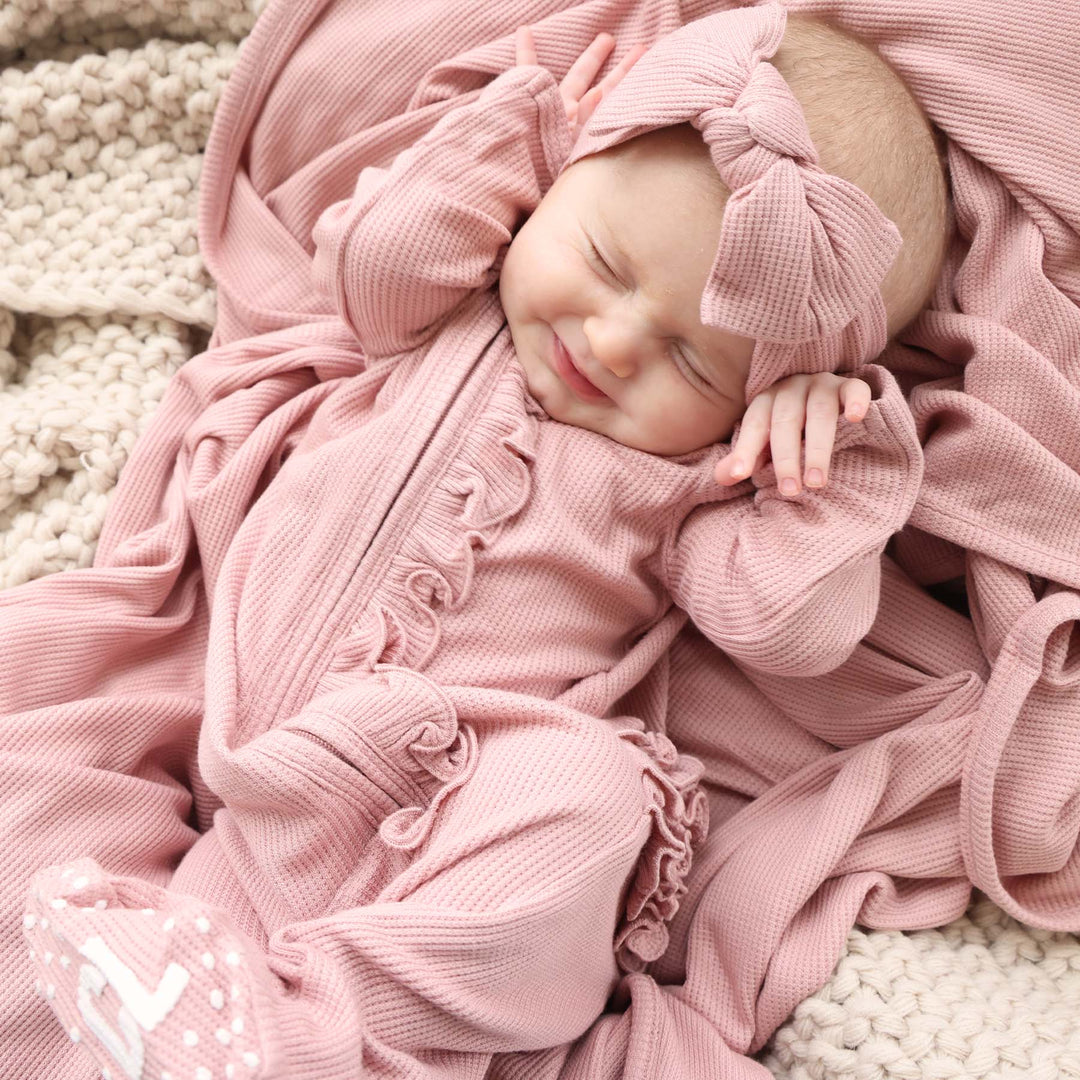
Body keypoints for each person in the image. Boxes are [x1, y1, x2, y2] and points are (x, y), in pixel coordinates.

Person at [16, 6, 948, 1079]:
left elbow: (784, 626)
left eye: (694, 363)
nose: (609, 342)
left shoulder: (696, 476)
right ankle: (150, 1015)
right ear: (560, 184)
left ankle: (301, 1038)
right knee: (28, 744)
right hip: (201, 693)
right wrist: (518, 128)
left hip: (435, 791)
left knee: (584, 804)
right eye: (602, 261)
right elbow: (371, 255)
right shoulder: (446, 308)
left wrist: (829, 472)